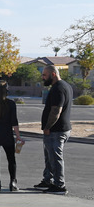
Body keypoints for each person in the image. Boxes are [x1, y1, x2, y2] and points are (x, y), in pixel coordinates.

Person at [35, 65, 72, 194]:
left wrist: (47, 127)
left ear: (53, 74)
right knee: (49, 157)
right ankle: (48, 180)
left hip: (56, 130)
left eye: (44, 75)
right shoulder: (64, 86)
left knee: (55, 158)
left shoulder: (59, 88)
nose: (43, 77)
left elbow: (56, 111)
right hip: (57, 130)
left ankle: (59, 185)